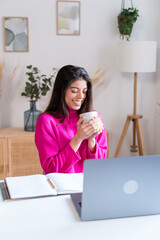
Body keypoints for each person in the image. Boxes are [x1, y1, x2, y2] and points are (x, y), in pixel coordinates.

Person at [35, 65, 108, 174]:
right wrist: (78, 138)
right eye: (74, 91)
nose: (81, 96)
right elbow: (51, 168)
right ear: (61, 91)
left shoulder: (94, 118)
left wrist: (91, 140)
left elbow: (99, 166)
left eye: (84, 91)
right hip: (61, 187)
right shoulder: (46, 121)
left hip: (89, 183)